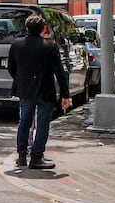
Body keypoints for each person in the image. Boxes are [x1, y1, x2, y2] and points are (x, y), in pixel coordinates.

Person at [7, 13, 71, 170]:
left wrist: (20, 80)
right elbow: (59, 72)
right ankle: (36, 156)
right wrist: (65, 94)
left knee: (24, 122)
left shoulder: (16, 45)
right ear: (43, 29)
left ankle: (21, 155)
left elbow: (11, 68)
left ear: (27, 28)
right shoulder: (50, 47)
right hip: (45, 90)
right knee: (42, 124)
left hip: (25, 90)